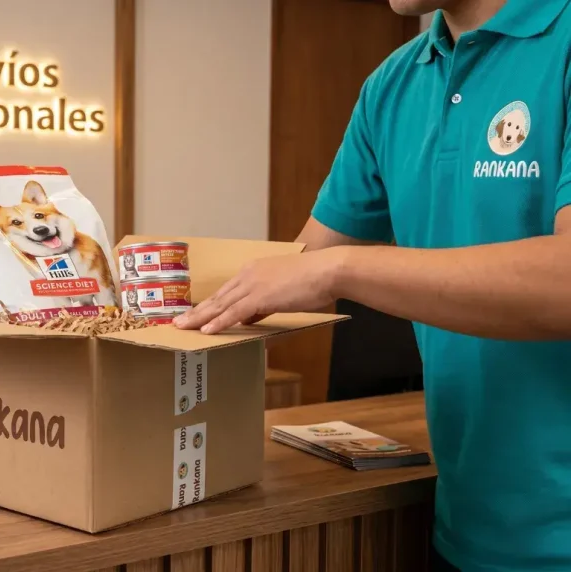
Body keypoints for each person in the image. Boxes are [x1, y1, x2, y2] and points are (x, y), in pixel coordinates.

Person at [174, 1, 571, 570]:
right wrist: (146, 305)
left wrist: (343, 271)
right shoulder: (392, 84)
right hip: (466, 525)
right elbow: (297, 266)